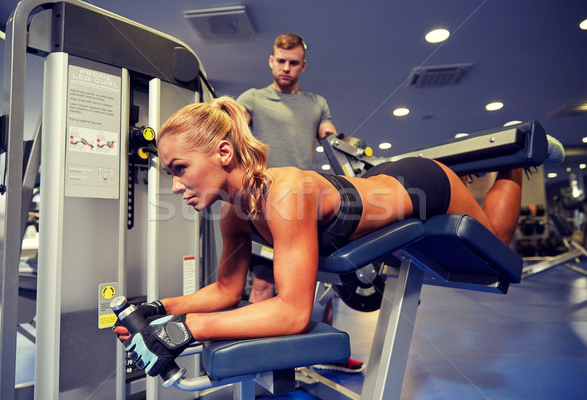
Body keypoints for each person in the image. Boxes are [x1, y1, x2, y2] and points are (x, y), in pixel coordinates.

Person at [114, 97, 526, 378]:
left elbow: (293, 314)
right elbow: (225, 290)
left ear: (223, 153)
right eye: (170, 173)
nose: (175, 185)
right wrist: (159, 309)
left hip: (426, 183)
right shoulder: (233, 215)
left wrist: (187, 329)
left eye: (180, 168)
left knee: (496, 243)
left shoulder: (285, 193)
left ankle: (516, 159)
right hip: (377, 184)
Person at [236, 33, 362, 373]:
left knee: (325, 282)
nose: (286, 68)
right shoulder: (253, 99)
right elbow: (235, 121)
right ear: (271, 61)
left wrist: (342, 144)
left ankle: (329, 353)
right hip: (266, 202)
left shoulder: (316, 103)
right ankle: (252, 359)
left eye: (293, 63)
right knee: (264, 282)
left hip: (308, 203)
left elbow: (330, 136)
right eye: (281, 61)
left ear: (303, 66)